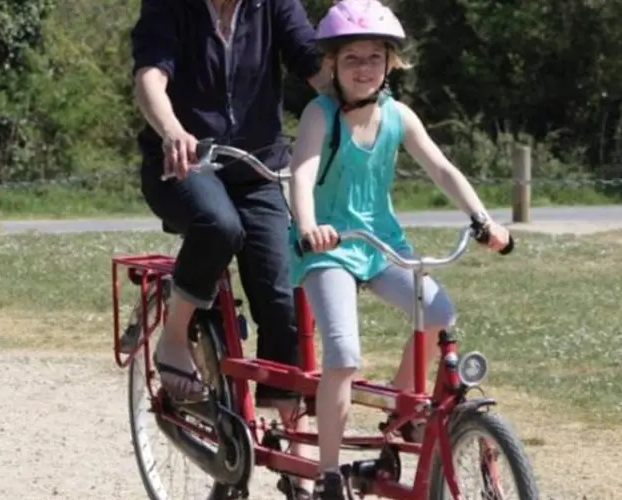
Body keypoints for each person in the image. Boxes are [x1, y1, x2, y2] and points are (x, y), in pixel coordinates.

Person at [285, 0, 513, 497]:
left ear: (390, 63)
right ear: (332, 65)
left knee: (438, 311)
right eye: (351, 59)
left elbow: (442, 169)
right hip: (328, 246)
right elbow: (301, 174)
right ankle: (327, 474)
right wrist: (308, 226)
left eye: (374, 58)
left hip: (381, 244)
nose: (363, 68)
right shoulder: (320, 114)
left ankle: (402, 408)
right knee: (343, 354)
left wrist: (483, 220)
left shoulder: (397, 116)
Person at [130, 0, 330, 497]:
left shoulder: (274, 5)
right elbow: (150, 77)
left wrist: (359, 83)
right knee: (218, 226)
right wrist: (173, 130)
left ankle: (291, 449)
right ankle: (174, 338)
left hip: (259, 167)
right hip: (183, 164)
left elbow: (314, 64)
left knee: (283, 298)